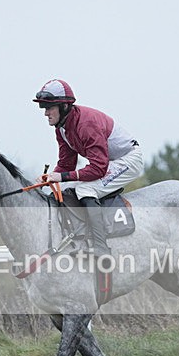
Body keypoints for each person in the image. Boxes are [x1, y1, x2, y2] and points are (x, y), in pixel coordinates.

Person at [33, 79, 143, 257]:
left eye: (49, 107)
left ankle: (101, 247)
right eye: (43, 107)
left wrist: (62, 177)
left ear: (64, 106)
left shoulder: (86, 124)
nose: (45, 113)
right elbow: (67, 164)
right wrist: (51, 177)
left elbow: (98, 169)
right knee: (64, 187)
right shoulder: (61, 128)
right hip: (108, 162)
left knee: (85, 189)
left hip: (127, 160)